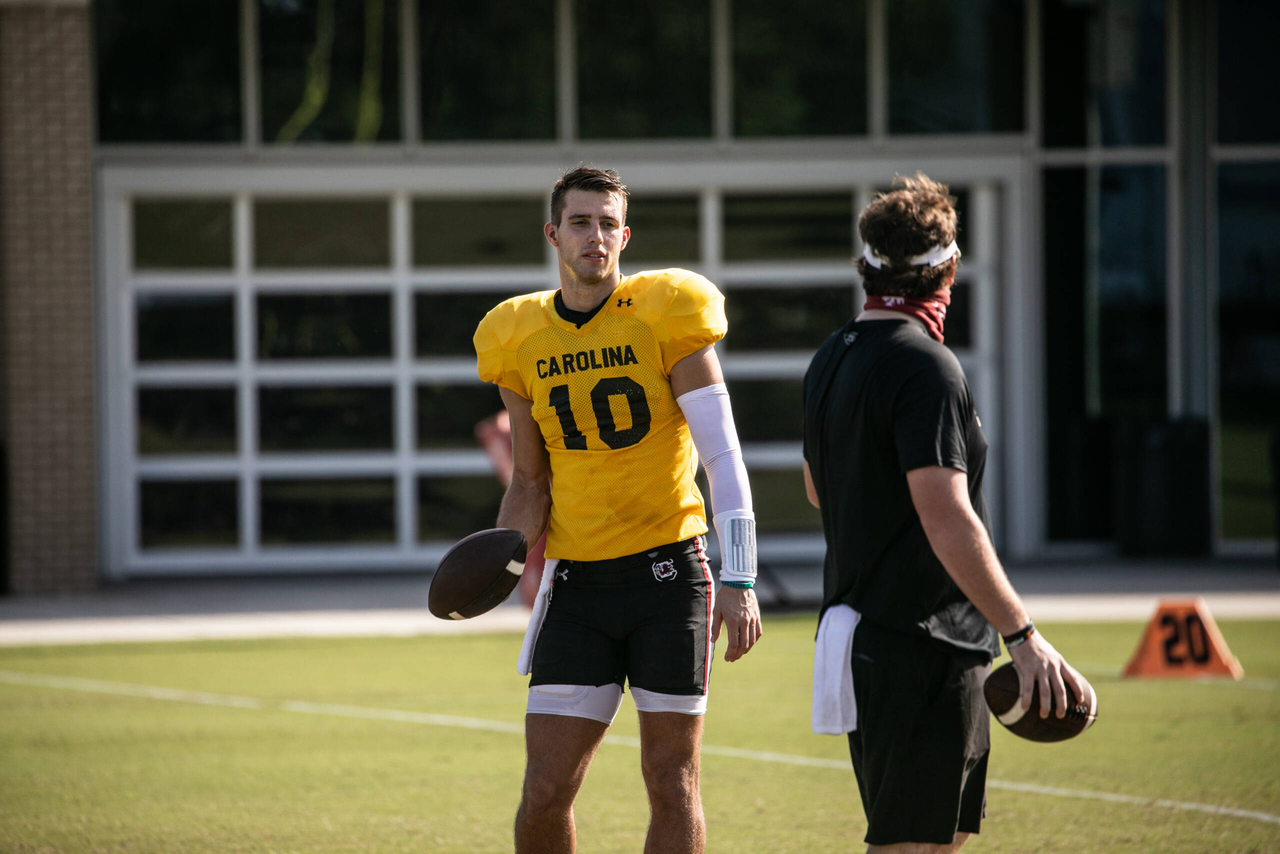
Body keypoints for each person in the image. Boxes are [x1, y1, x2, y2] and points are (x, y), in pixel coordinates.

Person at [473, 166, 762, 854]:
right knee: (545, 787)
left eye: (608, 223)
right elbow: (529, 480)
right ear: (554, 234)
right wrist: (498, 559)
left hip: (670, 575)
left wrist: (741, 576)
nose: (595, 236)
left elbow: (722, 456)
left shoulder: (666, 310)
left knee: (672, 779)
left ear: (625, 235)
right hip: (577, 584)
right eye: (580, 221)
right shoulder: (518, 334)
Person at [802, 174, 1092, 853]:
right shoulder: (925, 365)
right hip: (919, 643)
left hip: (877, 638)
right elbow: (946, 517)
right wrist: (1022, 636)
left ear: (865, 268)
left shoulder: (830, 356)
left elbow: (821, 491)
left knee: (939, 841)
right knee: (909, 845)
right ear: (949, 270)